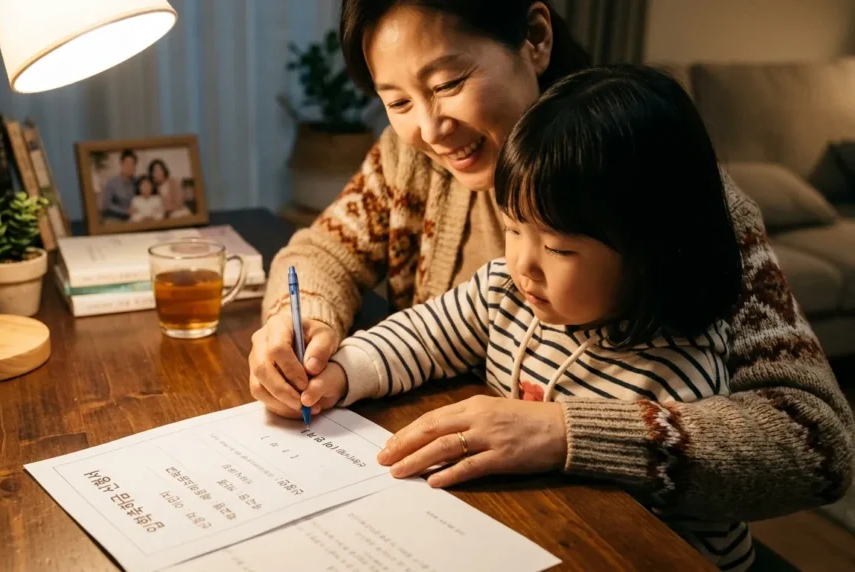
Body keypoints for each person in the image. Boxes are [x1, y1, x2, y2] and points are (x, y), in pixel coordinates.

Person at [250, 0, 854, 566]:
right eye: (397, 100)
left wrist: (562, 429)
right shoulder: (412, 158)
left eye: (446, 85)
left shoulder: (666, 201)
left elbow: (818, 445)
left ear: (536, 38)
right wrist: (302, 321)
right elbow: (321, 250)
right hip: (469, 507)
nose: (430, 128)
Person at [293, 65, 752, 568]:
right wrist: (342, 371)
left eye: (558, 248)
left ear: (652, 251)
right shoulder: (507, 292)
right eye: (513, 229)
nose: (522, 264)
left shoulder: (677, 376)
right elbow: (425, 335)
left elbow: (636, 530)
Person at [100, 149, 138, 221]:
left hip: (134, 218)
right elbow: (106, 205)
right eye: (127, 164)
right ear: (121, 164)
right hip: (115, 218)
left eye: (133, 164)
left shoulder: (137, 182)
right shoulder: (112, 182)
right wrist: (125, 211)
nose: (130, 167)